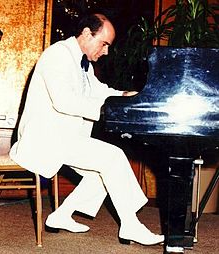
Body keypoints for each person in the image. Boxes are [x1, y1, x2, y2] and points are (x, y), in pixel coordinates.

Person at [10, 13, 164, 246]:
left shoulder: (82, 63)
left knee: (100, 175)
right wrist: (105, 110)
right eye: (104, 44)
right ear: (85, 34)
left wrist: (125, 96)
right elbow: (64, 101)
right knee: (113, 157)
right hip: (45, 139)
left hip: (64, 138)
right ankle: (131, 225)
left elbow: (99, 91)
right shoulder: (58, 55)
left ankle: (60, 216)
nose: (106, 51)